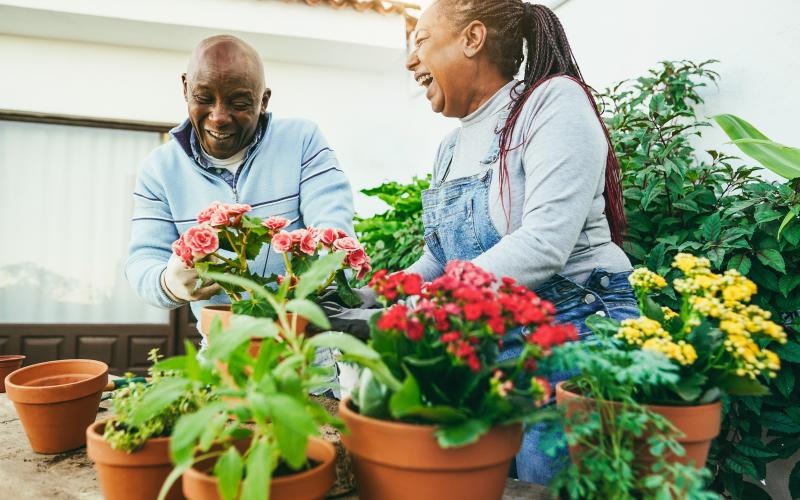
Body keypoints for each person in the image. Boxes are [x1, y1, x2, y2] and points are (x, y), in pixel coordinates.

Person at [403, 0, 639, 484]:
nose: (410, 60)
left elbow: (544, 242)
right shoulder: (449, 149)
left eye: (422, 40)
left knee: (542, 488)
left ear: (473, 39)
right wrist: (375, 294)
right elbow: (439, 258)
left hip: (574, 336)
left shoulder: (552, 103)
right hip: (496, 353)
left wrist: (425, 305)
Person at [125, 35, 355, 372]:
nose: (219, 117)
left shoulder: (302, 141)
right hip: (222, 355)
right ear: (185, 88)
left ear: (264, 100)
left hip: (309, 355)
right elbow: (141, 262)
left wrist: (308, 281)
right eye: (204, 98)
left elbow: (334, 233)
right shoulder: (159, 169)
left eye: (239, 102)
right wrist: (169, 282)